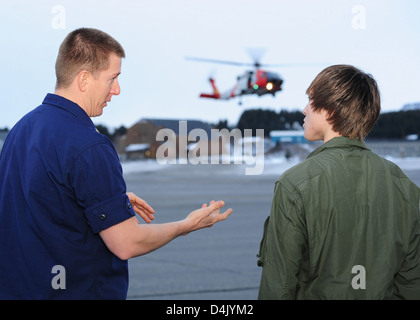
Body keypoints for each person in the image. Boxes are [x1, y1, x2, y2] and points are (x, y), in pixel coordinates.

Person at [0, 28, 232, 300]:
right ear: (84, 79)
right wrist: (186, 225)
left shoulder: (20, 130)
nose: (118, 90)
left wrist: (105, 202)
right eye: (113, 79)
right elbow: (126, 243)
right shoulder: (89, 145)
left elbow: (39, 203)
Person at [257, 64, 420, 299]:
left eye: (311, 101)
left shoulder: (294, 184)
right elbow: (412, 284)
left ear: (331, 110)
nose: (304, 110)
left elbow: (278, 287)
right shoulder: (404, 186)